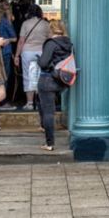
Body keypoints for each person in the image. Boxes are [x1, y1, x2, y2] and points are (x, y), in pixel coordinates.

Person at [37, 19, 73, 151]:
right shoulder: (67, 43)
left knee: (48, 113)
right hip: (62, 81)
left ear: (51, 30)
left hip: (47, 80)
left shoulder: (51, 43)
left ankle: (49, 143)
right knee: (40, 102)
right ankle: (43, 125)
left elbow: (43, 63)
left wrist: (39, 60)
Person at [14, 4, 50, 110]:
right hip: (41, 52)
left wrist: (16, 55)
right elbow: (50, 39)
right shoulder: (45, 24)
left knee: (28, 76)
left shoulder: (25, 24)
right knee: (41, 77)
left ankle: (29, 103)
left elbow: (21, 41)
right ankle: (40, 102)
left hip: (27, 52)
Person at [0, 0, 17, 110]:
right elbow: (14, 37)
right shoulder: (5, 22)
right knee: (5, 77)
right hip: (5, 52)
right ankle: (3, 103)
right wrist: (9, 40)